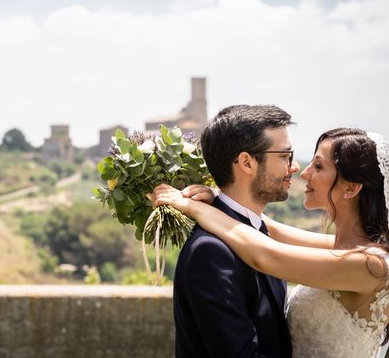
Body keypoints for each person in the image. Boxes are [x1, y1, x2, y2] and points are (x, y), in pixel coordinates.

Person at [153, 127, 389, 358]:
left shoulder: (371, 265)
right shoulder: (344, 249)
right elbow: (269, 229)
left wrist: (192, 207)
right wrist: (218, 198)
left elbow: (266, 255)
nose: (302, 172)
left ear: (351, 187)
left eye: (318, 165)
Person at [156, 104, 297, 357]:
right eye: (285, 155)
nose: (294, 166)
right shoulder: (211, 252)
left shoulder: (257, 230)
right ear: (246, 162)